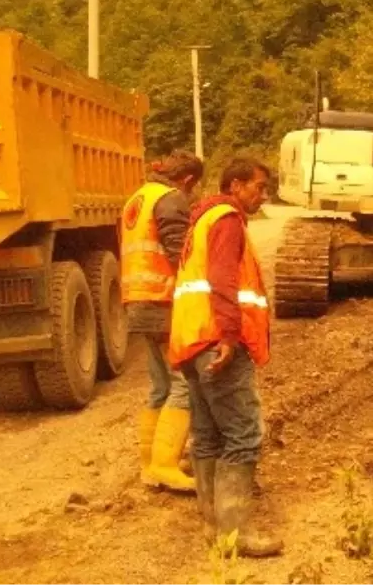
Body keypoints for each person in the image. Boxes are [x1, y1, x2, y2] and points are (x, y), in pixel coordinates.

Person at [168, 157, 282, 557]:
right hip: (217, 341)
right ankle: (235, 537)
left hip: (192, 341)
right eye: (258, 186)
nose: (262, 194)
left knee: (208, 436)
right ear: (235, 186)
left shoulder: (201, 220)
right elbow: (222, 281)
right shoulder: (227, 220)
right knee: (243, 436)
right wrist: (231, 337)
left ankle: (214, 529)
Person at [120, 149, 204, 493]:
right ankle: (167, 464)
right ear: (186, 181)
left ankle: (149, 465)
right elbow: (180, 255)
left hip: (137, 301)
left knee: (160, 386)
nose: (193, 195)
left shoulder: (138, 197)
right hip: (162, 303)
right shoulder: (171, 200)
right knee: (183, 383)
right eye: (194, 188)